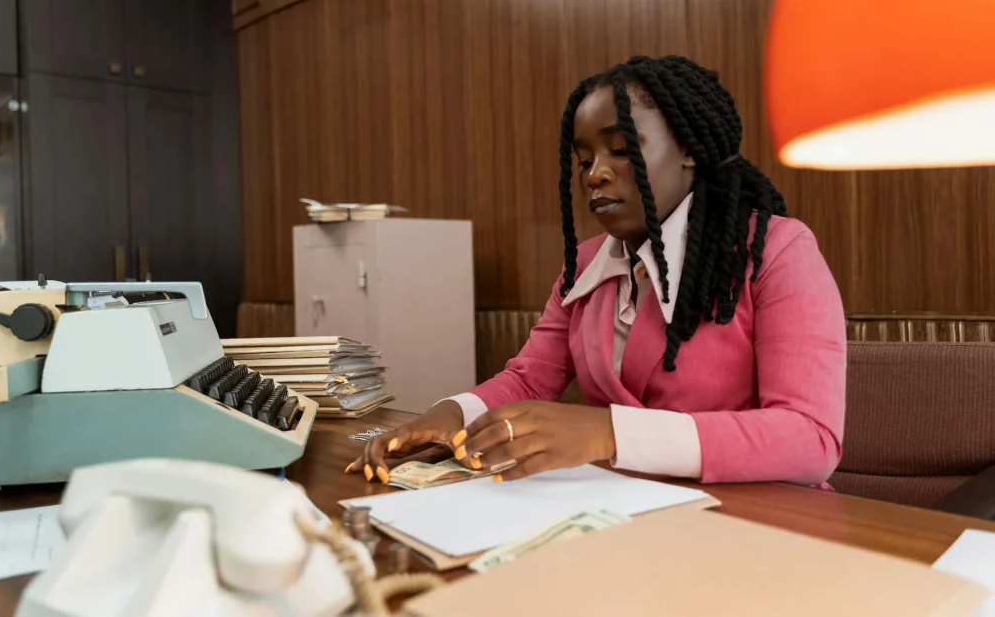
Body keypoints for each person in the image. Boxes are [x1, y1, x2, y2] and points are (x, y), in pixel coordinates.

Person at [345, 55, 846, 487]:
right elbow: (527, 380)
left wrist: (608, 432)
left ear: (690, 147)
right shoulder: (585, 265)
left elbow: (810, 437)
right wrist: (448, 417)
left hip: (757, 526)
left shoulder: (778, 250)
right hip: (622, 517)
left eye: (622, 150)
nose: (595, 174)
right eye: (583, 160)